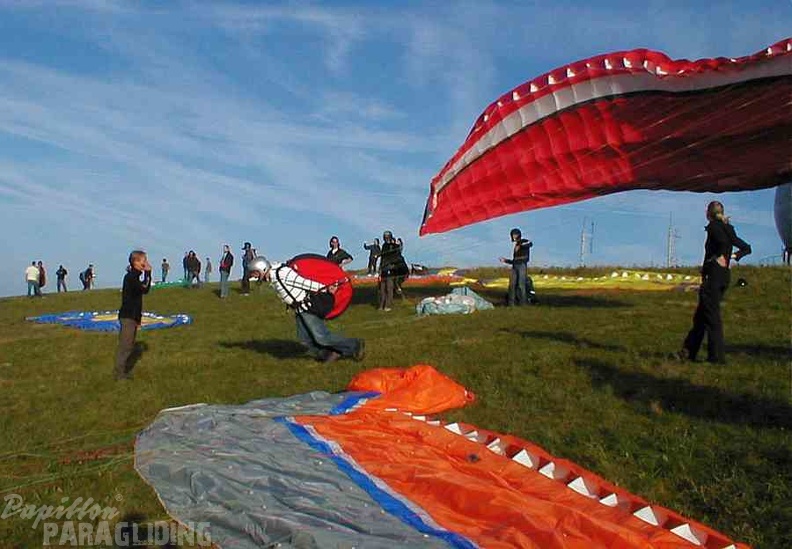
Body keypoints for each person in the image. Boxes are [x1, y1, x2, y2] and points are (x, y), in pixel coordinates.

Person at [248, 256, 365, 363]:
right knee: (305, 340)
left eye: (255, 273)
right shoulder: (273, 276)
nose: (254, 276)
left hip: (308, 307)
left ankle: (355, 345)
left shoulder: (282, 273)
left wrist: (325, 289)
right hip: (300, 310)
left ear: (262, 269)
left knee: (322, 337)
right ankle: (328, 353)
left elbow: (304, 283)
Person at [680, 201, 751, 364]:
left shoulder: (714, 227)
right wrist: (733, 257)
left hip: (714, 275)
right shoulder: (728, 228)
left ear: (708, 214)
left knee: (711, 318)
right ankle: (688, 352)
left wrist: (718, 257)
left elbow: (722, 243)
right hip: (724, 275)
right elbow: (746, 247)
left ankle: (716, 357)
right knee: (701, 316)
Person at [115, 250, 152, 380]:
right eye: (144, 261)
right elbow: (144, 289)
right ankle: (120, 374)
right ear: (136, 262)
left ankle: (123, 371)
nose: (146, 263)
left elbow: (143, 290)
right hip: (128, 316)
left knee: (129, 345)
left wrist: (138, 319)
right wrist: (148, 273)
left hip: (133, 317)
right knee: (126, 346)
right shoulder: (131, 277)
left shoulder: (133, 276)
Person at [499, 228, 537, 306]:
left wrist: (522, 245)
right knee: (512, 285)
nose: (513, 236)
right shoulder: (516, 246)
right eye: (512, 235)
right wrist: (505, 260)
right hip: (515, 266)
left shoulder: (523, 241)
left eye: (514, 235)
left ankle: (523, 303)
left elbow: (530, 243)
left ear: (518, 235)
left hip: (522, 266)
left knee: (521, 285)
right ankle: (511, 303)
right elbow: (515, 260)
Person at [378, 230, 406, 311]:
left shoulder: (395, 246)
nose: (386, 238)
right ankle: (381, 305)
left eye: (387, 236)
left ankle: (387, 305)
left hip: (391, 269)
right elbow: (383, 259)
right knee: (382, 289)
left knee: (389, 288)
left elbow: (398, 256)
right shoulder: (384, 246)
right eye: (385, 237)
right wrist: (380, 270)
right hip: (384, 269)